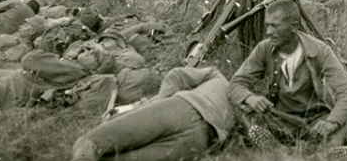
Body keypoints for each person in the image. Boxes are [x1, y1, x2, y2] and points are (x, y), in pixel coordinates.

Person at [228, 0, 347, 155]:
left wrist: (331, 122)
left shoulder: (320, 50)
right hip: (278, 119)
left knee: (343, 123)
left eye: (275, 26)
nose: (268, 32)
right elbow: (236, 84)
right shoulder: (264, 48)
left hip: (314, 121)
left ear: (294, 27)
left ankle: (321, 154)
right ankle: (278, 150)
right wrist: (250, 98)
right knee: (244, 110)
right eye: (267, 25)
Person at [71, 66, 233, 161]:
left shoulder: (217, 76)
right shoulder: (246, 109)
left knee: (91, 143)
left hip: (181, 108)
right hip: (202, 140)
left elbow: (176, 75)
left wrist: (159, 101)